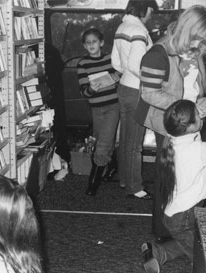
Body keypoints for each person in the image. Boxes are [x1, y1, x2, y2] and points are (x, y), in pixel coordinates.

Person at [134, 5, 206, 239]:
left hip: (191, 120)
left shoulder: (195, 52)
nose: (203, 47)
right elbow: (149, 94)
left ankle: (183, 228)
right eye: (199, 40)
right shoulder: (157, 54)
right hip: (172, 122)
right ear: (187, 31)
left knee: (189, 177)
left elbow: (204, 83)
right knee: (170, 179)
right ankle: (163, 232)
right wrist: (186, 107)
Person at [141, 100, 206, 273]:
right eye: (198, 115)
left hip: (177, 214)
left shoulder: (173, 141)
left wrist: (199, 120)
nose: (201, 116)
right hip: (184, 216)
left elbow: (191, 138)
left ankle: (156, 252)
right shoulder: (197, 149)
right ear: (190, 126)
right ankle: (159, 252)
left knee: (191, 242)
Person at [111, 0, 158, 199]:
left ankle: (125, 180)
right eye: (151, 11)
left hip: (124, 87)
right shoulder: (138, 29)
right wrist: (154, 82)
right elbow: (136, 64)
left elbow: (116, 62)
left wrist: (129, 76)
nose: (151, 15)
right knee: (135, 143)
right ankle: (135, 188)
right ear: (143, 7)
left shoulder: (122, 26)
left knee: (126, 140)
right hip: (136, 90)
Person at [77, 28, 121, 196]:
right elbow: (83, 91)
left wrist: (117, 76)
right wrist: (91, 89)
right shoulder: (82, 64)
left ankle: (92, 184)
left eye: (94, 41)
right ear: (84, 45)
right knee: (101, 140)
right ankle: (112, 166)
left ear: (101, 43)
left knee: (103, 143)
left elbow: (122, 75)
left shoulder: (111, 59)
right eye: (87, 43)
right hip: (96, 107)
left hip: (112, 106)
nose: (91, 45)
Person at [45, 13, 71, 181]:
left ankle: (56, 165)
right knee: (57, 126)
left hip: (47, 96)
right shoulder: (52, 51)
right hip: (54, 97)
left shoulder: (46, 51)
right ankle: (61, 161)